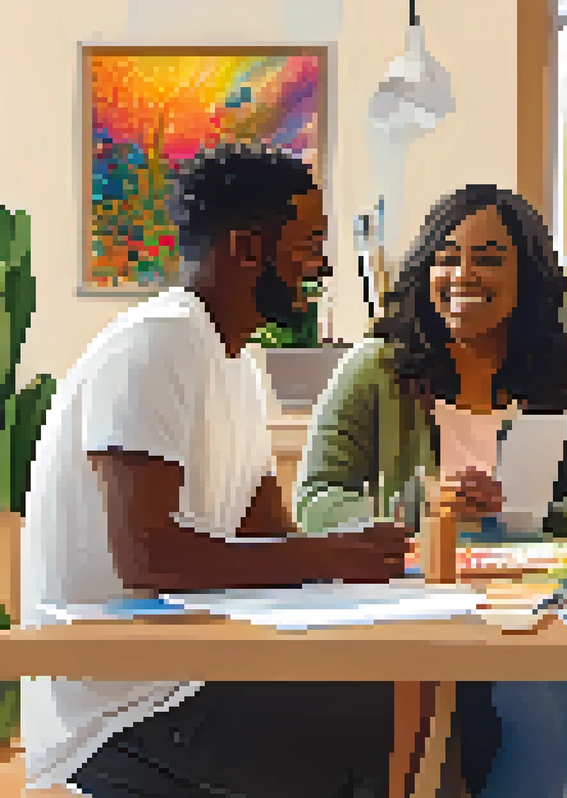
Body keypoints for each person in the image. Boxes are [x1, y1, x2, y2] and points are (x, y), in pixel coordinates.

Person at [20, 144, 410, 796]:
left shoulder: (236, 363)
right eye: (309, 244)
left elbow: (268, 538)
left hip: (193, 672)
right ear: (249, 249)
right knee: (403, 719)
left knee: (428, 695)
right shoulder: (155, 344)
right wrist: (332, 555)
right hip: (128, 710)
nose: (322, 265)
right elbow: (149, 558)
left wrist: (376, 570)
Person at [295, 184, 567, 798]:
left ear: (529, 275)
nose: (463, 273)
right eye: (447, 256)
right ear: (426, 271)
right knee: (534, 716)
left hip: (544, 607)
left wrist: (533, 516)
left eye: (489, 257)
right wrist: (426, 511)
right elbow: (315, 500)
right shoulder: (378, 368)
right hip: (423, 606)